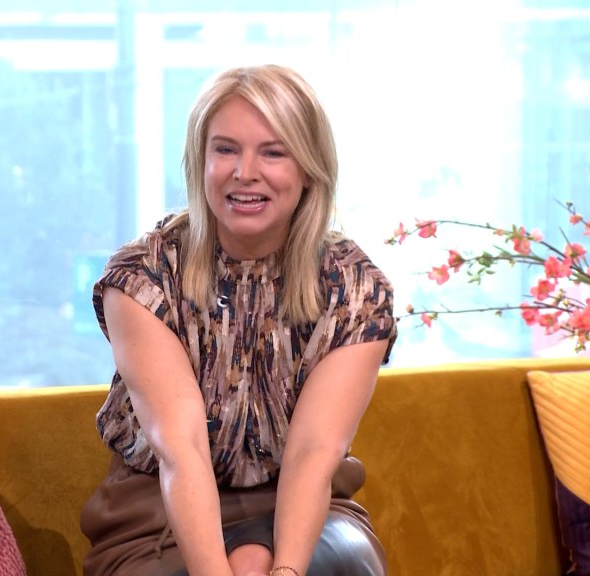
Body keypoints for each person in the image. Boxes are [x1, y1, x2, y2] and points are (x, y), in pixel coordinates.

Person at [79, 64, 397, 576]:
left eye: (273, 152)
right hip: (156, 512)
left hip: (309, 511)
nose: (245, 172)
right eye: (226, 150)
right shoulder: (144, 277)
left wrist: (284, 570)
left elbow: (314, 453)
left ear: (309, 168)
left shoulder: (355, 289)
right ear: (200, 162)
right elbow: (181, 449)